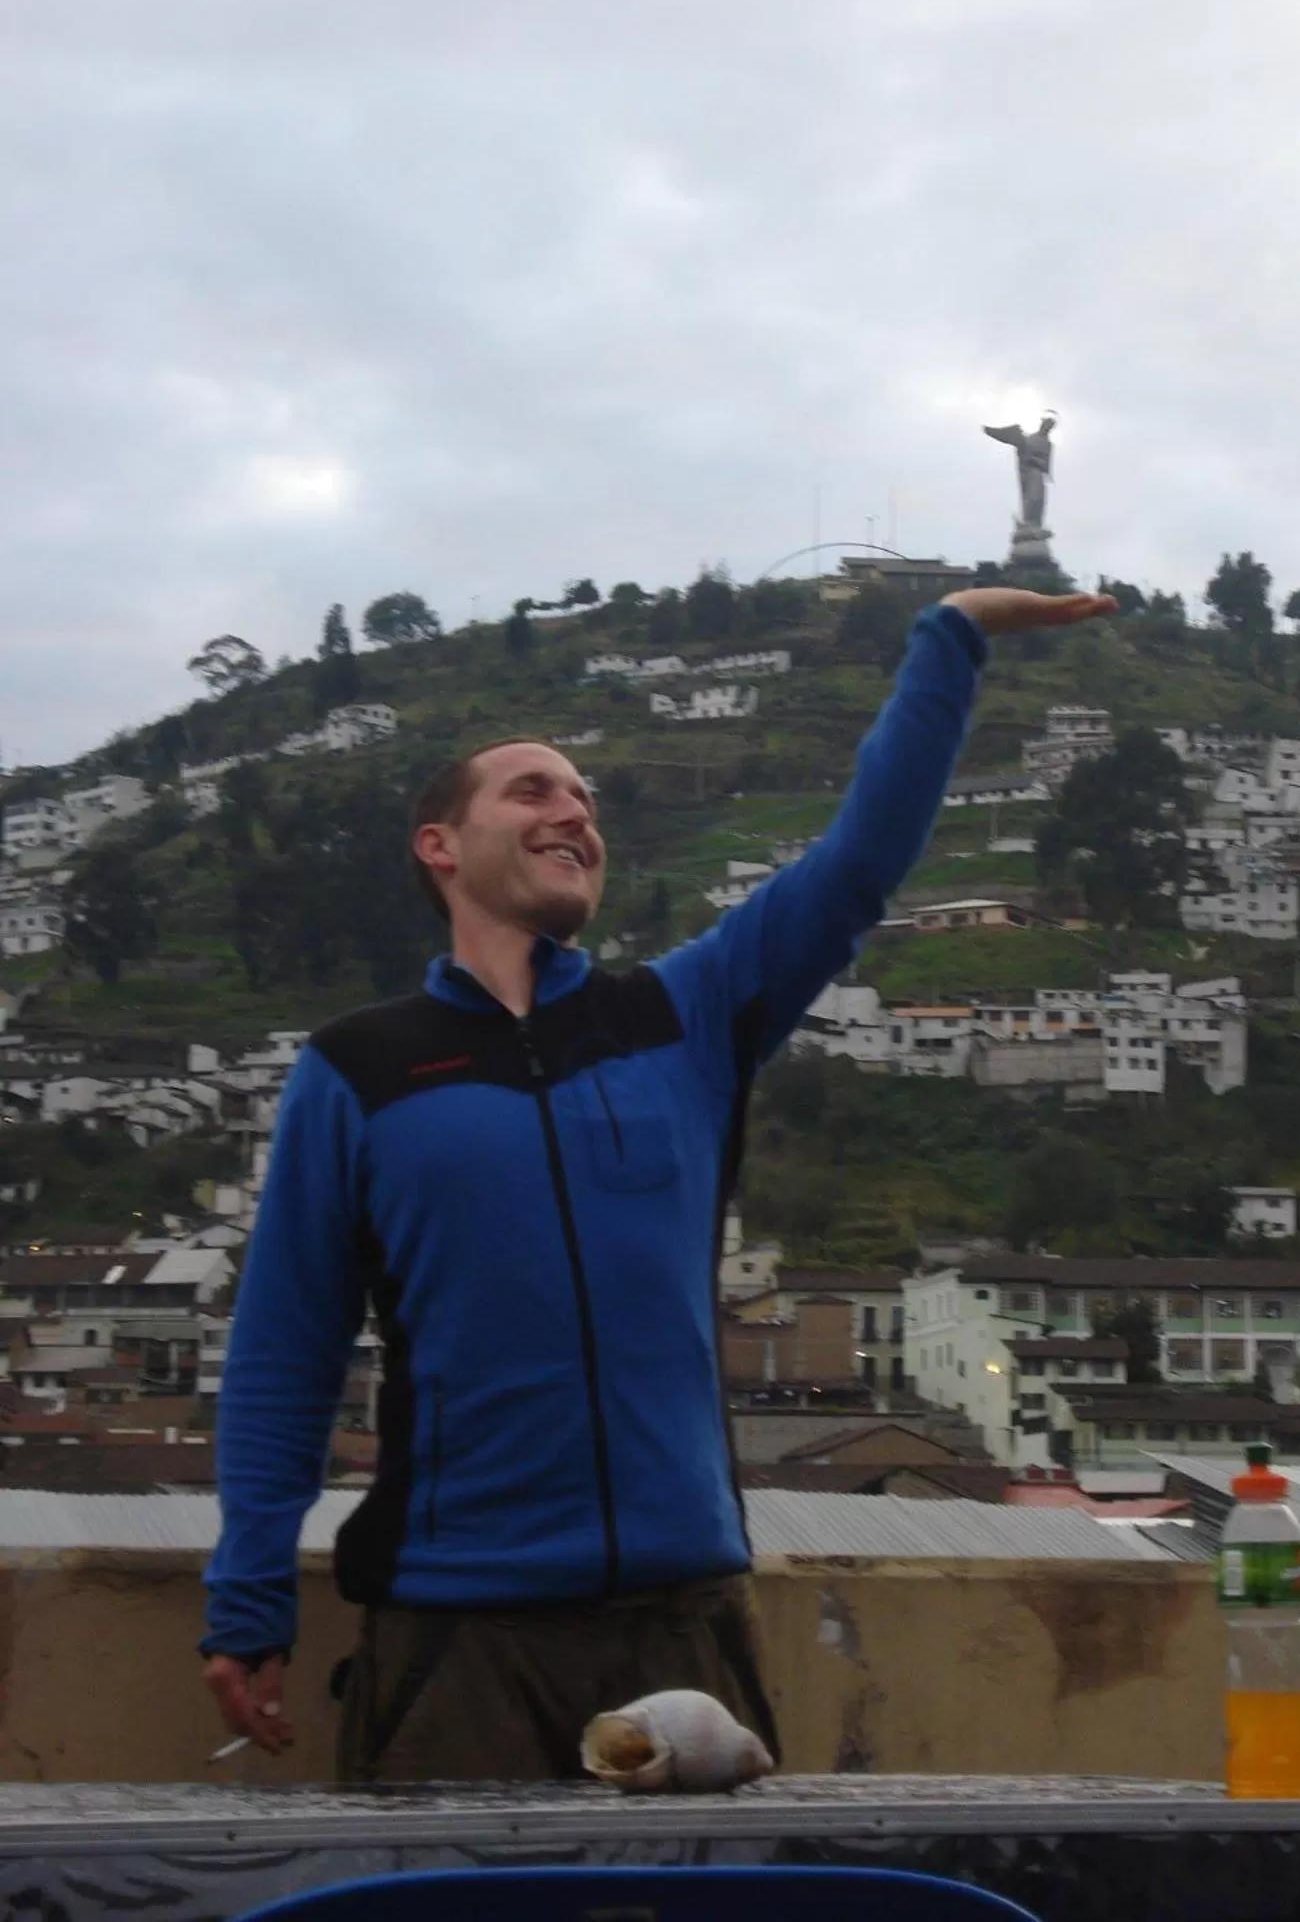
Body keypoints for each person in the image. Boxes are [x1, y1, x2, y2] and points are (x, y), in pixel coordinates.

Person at [200, 583, 1115, 1781]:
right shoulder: (354, 1068)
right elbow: (286, 1348)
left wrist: (946, 640)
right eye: (532, 788)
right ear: (440, 844)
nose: (574, 809)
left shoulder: (681, 1014)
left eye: (586, 798)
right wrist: (249, 1592)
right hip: (454, 1634)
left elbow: (856, 865)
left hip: (686, 1625)